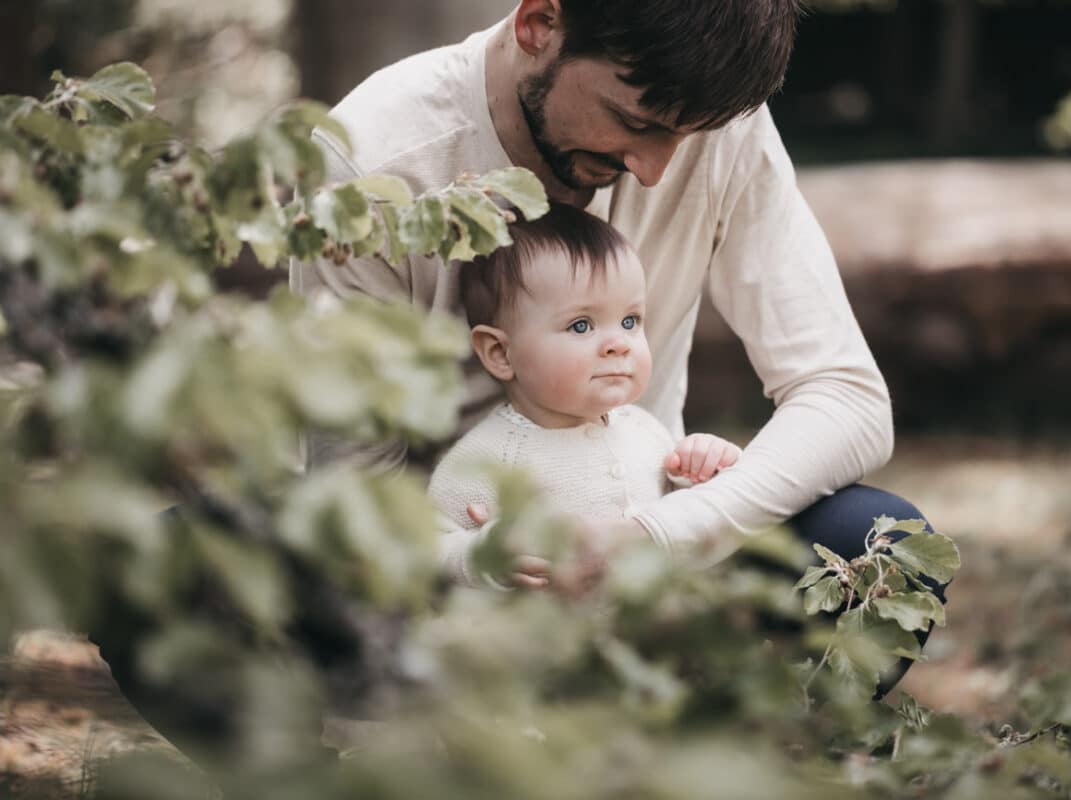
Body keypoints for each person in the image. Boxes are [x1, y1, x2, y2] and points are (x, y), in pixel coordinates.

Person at [291, 0, 948, 692]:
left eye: (686, 137)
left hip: (654, 582)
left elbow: (846, 395)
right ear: (539, 24)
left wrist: (659, 531)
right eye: (635, 122)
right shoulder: (373, 163)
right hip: (438, 597)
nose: (657, 169)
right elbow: (355, 498)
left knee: (884, 539)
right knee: (184, 557)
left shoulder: (719, 124)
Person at [430, 202, 742, 591]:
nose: (618, 344)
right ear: (500, 353)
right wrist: (482, 554)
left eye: (630, 321)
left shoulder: (646, 432)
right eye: (581, 325)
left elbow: (678, 527)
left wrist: (698, 474)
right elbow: (429, 547)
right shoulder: (486, 459)